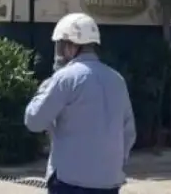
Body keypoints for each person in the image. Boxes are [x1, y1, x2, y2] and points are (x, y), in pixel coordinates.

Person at [24, 13, 135, 194]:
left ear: (70, 46)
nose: (58, 54)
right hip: (110, 183)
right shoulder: (117, 80)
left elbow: (34, 121)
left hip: (70, 182)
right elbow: (129, 133)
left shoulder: (64, 78)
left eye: (60, 46)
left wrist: (44, 89)